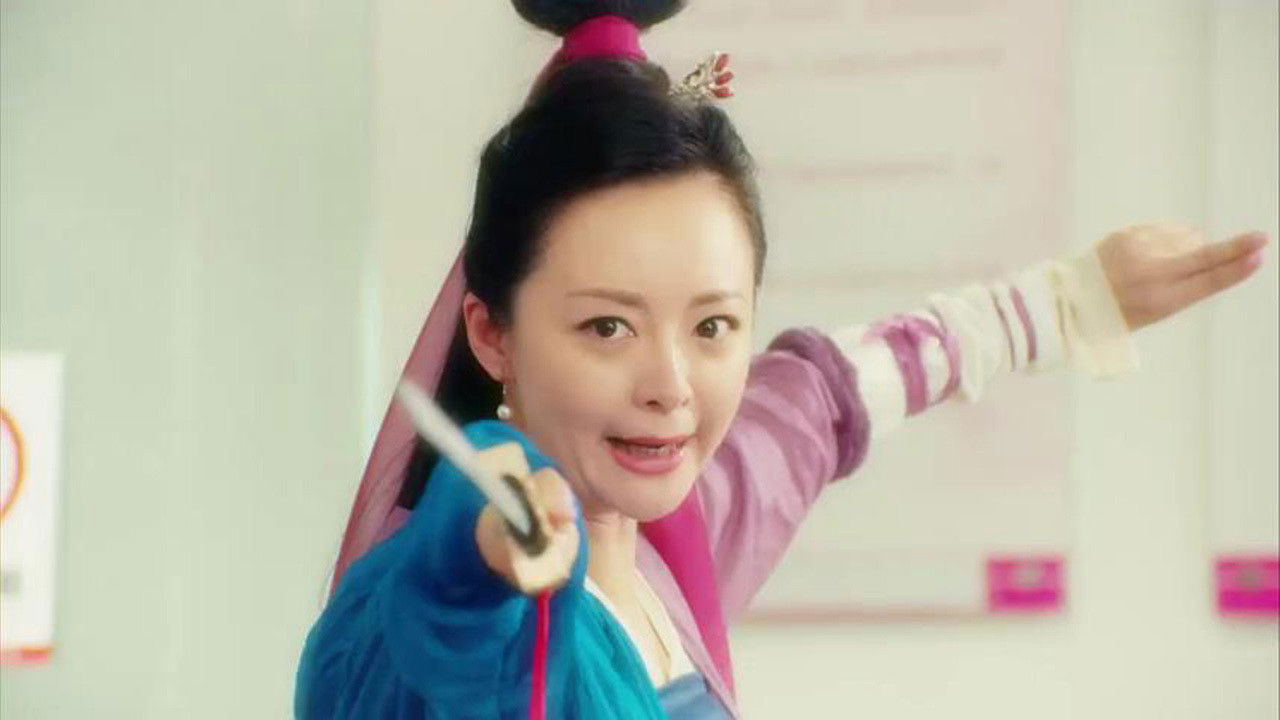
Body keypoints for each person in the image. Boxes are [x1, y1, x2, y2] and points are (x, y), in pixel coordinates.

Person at [295, 1, 1269, 717]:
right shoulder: (425, 609)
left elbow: (827, 395)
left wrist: (1071, 300)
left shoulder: (681, 539)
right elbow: (439, 626)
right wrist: (484, 558)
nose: (671, 388)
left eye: (712, 326)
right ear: (490, 332)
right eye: (608, 328)